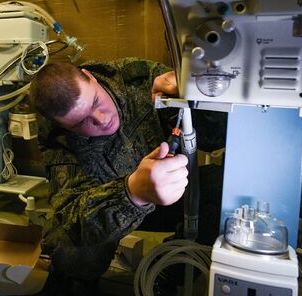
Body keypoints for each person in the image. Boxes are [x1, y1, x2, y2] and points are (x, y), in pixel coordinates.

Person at [29, 57, 226, 294]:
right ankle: (77, 284)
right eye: (82, 122)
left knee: (223, 189)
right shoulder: (57, 138)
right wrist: (131, 193)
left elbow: (218, 138)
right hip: (113, 209)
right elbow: (70, 218)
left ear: (90, 76)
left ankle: (167, 270)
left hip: (173, 194)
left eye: (95, 102)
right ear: (63, 126)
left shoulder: (139, 78)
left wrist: (196, 96)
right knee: (70, 250)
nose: (101, 120)